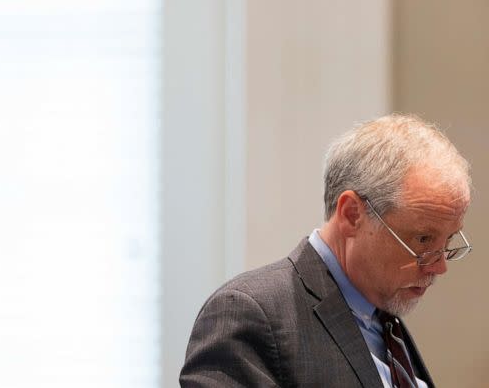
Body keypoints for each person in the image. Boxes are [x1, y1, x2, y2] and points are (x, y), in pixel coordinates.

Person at [179, 114, 472, 387]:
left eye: (446, 244)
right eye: (422, 240)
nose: (438, 267)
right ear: (352, 214)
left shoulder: (383, 319)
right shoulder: (250, 313)